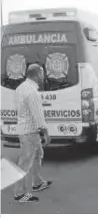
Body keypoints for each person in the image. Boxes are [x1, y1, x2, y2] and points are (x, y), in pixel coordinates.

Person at [13, 64, 52, 203]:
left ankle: (37, 182)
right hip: (30, 131)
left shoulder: (20, 88)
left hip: (24, 128)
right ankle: (19, 193)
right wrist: (46, 133)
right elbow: (38, 115)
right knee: (25, 161)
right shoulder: (32, 92)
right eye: (42, 74)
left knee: (37, 155)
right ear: (37, 75)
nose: (43, 77)